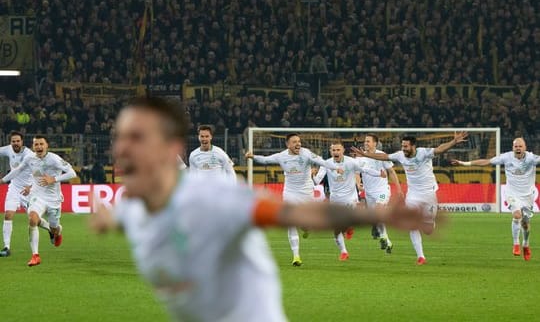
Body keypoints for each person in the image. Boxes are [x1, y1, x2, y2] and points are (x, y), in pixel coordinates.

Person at [89, 97, 427, 322]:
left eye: (137, 138)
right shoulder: (134, 211)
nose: (123, 147)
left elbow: (295, 214)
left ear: (169, 148)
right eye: (121, 137)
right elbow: (128, 219)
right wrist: (105, 216)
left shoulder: (213, 196)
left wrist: (376, 215)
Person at [352, 132, 468, 265]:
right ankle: (420, 257)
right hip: (413, 195)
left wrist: (453, 142)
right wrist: (365, 154)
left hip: (429, 194)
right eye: (402, 146)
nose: (403, 149)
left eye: (406, 146)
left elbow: (440, 149)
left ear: (413, 146)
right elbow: (384, 156)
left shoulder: (424, 153)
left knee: (428, 230)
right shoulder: (401, 155)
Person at [245, 133, 345, 266]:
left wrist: (335, 167)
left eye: (299, 141)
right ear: (288, 144)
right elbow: (265, 160)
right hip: (290, 192)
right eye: (294, 142)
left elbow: (321, 161)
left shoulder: (306, 153)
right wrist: (252, 157)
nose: (298, 144)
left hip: (306, 192)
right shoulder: (282, 156)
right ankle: (296, 256)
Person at [452, 137, 540, 261]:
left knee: (525, 224)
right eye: (516, 146)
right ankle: (516, 244)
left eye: (520, 146)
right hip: (512, 193)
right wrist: (464, 163)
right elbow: (486, 162)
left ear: (525, 147)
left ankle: (525, 244)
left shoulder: (531, 158)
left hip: (527, 196)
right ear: (512, 148)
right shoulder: (507, 157)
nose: (518, 148)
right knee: (516, 215)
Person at [0, 135, 76, 266]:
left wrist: (54, 179)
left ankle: (56, 232)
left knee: (54, 228)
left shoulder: (54, 159)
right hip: (37, 196)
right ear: (33, 146)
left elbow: (72, 173)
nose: (39, 147)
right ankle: (35, 255)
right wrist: (2, 180)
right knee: (32, 219)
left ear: (47, 146)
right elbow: (17, 171)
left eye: (41, 144)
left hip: (53, 199)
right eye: (36, 144)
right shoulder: (30, 158)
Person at [312, 141, 385, 261]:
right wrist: (312, 175)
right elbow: (316, 181)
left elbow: (365, 169)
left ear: (343, 151)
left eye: (338, 150)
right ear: (330, 152)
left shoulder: (351, 162)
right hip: (335, 199)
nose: (336, 152)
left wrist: (378, 174)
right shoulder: (326, 164)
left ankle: (350, 226)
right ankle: (344, 252)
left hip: (351, 198)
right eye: (333, 150)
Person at [356, 133, 404, 253]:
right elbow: (356, 172)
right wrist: (358, 184)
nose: (365, 143)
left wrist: (398, 188)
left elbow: (391, 172)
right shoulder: (360, 157)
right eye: (365, 141)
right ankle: (387, 241)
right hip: (369, 192)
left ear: (375, 143)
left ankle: (382, 236)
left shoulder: (382, 155)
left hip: (382, 190)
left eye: (368, 141)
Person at [0, 131, 33, 257]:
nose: (15, 143)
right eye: (13, 141)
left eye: (18, 141)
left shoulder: (28, 154)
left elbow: (17, 171)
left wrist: (2, 180)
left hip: (27, 190)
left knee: (35, 220)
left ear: (22, 142)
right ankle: (6, 247)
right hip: (14, 188)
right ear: (10, 142)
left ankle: (52, 231)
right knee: (8, 215)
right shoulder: (8, 149)